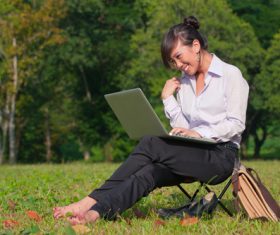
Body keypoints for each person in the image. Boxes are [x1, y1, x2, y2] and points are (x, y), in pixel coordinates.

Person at [53, 16, 249, 224]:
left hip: (221, 157)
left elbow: (236, 124)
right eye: (173, 62)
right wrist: (168, 99)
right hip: (193, 153)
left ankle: (87, 202)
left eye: (179, 57)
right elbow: (183, 128)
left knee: (151, 142)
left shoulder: (230, 74)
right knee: (149, 173)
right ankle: (95, 213)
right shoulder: (185, 83)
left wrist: (200, 133)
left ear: (196, 45)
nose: (178, 65)